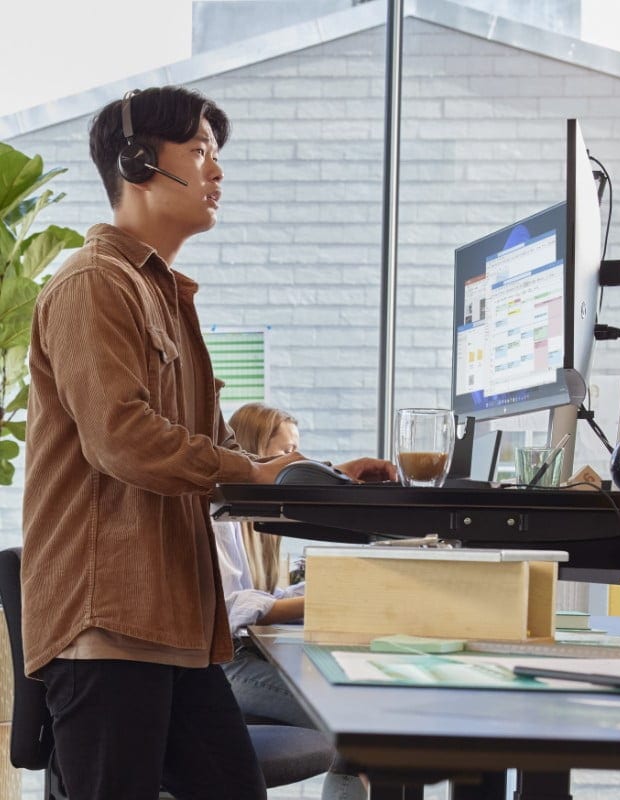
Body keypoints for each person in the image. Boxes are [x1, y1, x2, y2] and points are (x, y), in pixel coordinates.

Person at [21, 85, 396, 800]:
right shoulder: (94, 285)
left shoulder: (165, 296)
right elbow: (124, 440)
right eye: (198, 152)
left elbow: (210, 447)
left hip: (175, 629)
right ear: (137, 164)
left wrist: (310, 471)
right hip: (110, 628)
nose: (216, 172)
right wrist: (258, 471)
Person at [213, 401, 367, 800]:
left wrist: (322, 589)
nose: (294, 463)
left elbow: (258, 599)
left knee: (358, 724)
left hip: (239, 659)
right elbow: (231, 610)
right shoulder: (217, 519)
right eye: (285, 454)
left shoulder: (250, 527)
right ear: (253, 454)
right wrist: (319, 602)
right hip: (225, 670)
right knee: (358, 725)